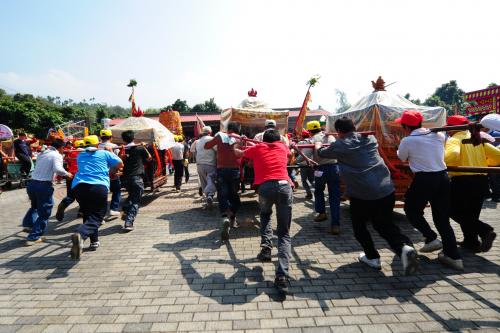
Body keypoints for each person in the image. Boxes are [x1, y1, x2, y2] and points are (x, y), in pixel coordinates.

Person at [317, 118, 419, 275]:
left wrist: (318, 144)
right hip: (386, 189)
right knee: (384, 225)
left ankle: (372, 257)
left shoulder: (340, 145)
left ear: (338, 132)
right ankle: (403, 248)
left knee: (359, 227)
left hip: (362, 194)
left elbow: (321, 153)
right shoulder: (370, 138)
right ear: (354, 127)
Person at [396, 110, 462, 270]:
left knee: (411, 210)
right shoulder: (438, 135)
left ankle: (431, 237)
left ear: (405, 126)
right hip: (443, 178)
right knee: (442, 219)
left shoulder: (408, 140)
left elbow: (401, 157)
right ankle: (454, 257)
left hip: (424, 179)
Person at [237, 129, 293, 292]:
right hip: (284, 187)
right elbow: (290, 155)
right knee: (284, 233)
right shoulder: (283, 147)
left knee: (265, 215)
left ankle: (266, 248)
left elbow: (238, 154)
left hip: (265, 188)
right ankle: (282, 275)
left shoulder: (257, 148)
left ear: (263, 140)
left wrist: (240, 143)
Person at [444, 115, 500, 253]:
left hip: (463, 182)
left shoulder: (455, 139)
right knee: (470, 215)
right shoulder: (477, 139)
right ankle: (471, 242)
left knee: (451, 210)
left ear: (452, 129)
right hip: (481, 182)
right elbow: (498, 156)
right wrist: (484, 162)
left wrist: (444, 163)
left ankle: (485, 230)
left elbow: (451, 157)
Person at [70, 135, 123, 259]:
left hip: (79, 186)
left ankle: (93, 241)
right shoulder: (104, 153)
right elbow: (120, 164)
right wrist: (111, 152)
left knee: (88, 214)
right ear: (97, 144)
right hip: (98, 186)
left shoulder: (80, 155)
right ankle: (81, 234)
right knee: (98, 217)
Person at [23, 139, 72, 245]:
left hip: (32, 184)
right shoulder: (57, 155)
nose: (64, 151)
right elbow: (58, 169)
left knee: (35, 206)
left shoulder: (42, 153)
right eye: (64, 148)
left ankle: (28, 224)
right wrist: (67, 174)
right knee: (45, 212)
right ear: (60, 148)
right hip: (43, 185)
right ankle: (33, 237)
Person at [204, 121, 242, 240]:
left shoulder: (220, 136)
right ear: (237, 130)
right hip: (235, 171)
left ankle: (225, 217)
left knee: (222, 195)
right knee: (234, 196)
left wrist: (218, 140)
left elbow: (207, 146)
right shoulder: (239, 138)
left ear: (228, 128)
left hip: (221, 170)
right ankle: (232, 218)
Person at [309, 120, 341, 235]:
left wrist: (296, 162)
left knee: (318, 191)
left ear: (310, 131)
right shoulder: (331, 137)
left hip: (320, 169)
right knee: (334, 196)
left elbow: (306, 154)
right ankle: (335, 225)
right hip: (334, 168)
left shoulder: (313, 139)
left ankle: (322, 212)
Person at [121, 130, 152, 231]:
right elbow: (149, 158)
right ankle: (128, 222)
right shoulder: (139, 148)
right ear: (133, 138)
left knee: (131, 195)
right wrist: (144, 147)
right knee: (135, 200)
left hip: (125, 178)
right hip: (136, 178)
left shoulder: (122, 149)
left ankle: (125, 209)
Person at [56, 140, 85, 221]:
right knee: (83, 195)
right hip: (81, 176)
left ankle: (64, 204)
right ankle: (82, 211)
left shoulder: (71, 152)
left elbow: (66, 161)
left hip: (71, 175)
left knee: (71, 195)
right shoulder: (88, 153)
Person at [190, 126, 217, 208]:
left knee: (203, 182)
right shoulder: (212, 139)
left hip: (200, 165)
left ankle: (208, 197)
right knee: (211, 179)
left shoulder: (197, 141)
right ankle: (210, 195)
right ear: (210, 132)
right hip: (210, 164)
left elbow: (191, 151)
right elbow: (217, 150)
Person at [98, 129, 121, 216]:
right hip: (113, 173)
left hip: (101, 173)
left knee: (103, 194)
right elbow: (117, 160)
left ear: (100, 137)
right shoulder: (114, 146)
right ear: (111, 137)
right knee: (116, 191)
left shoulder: (97, 146)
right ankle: (113, 208)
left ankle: (101, 213)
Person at [296, 129, 314, 200]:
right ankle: (316, 190)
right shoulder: (311, 141)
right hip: (311, 163)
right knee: (312, 179)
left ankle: (309, 193)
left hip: (303, 164)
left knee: (304, 180)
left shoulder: (300, 143)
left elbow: (296, 151)